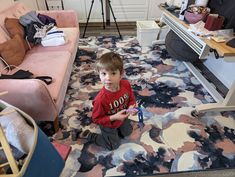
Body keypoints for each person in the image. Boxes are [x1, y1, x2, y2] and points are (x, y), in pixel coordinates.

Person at [78, 52, 137, 150]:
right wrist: (114, 117)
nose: (108, 78)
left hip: (122, 118)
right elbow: (96, 119)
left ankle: (118, 130)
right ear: (99, 74)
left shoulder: (126, 84)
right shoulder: (100, 100)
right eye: (104, 73)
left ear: (121, 74)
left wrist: (131, 107)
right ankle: (90, 136)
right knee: (113, 146)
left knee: (127, 132)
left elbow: (131, 99)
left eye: (113, 73)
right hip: (108, 123)